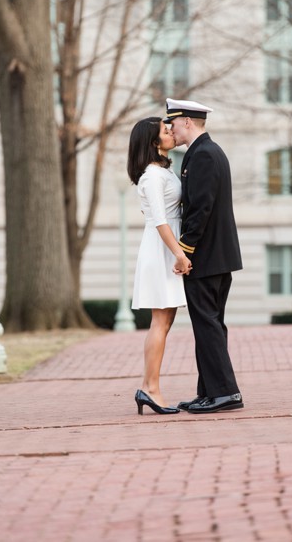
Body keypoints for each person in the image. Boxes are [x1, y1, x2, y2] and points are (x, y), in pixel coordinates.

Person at [163, 98, 244, 414]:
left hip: (206, 257)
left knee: (207, 324)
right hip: (215, 256)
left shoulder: (204, 155)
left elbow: (200, 209)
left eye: (173, 123)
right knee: (210, 324)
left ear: (187, 122)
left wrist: (184, 251)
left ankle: (226, 393)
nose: (170, 129)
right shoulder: (204, 152)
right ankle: (211, 391)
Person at [126, 116, 190, 415]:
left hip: (166, 246)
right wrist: (178, 253)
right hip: (161, 249)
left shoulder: (163, 171)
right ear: (154, 143)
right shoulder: (152, 175)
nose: (172, 132)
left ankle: (147, 385)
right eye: (166, 131)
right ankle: (151, 389)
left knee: (165, 321)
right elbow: (160, 220)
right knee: (160, 321)